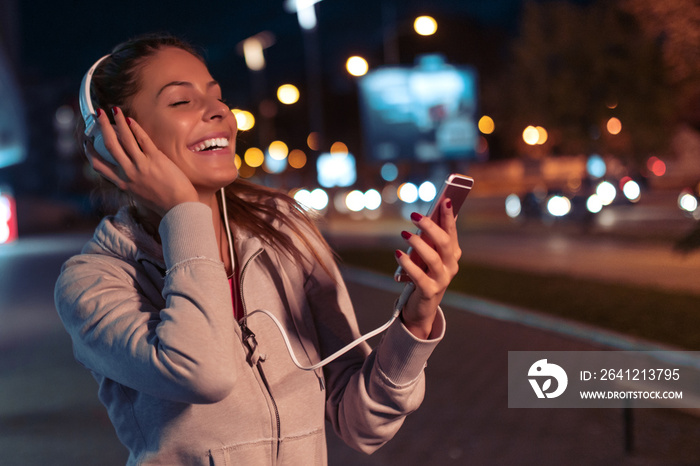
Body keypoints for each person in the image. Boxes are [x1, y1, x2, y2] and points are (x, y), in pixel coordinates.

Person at [55, 32, 461, 465]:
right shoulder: (92, 281)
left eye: (217, 97)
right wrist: (183, 212)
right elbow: (203, 374)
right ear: (110, 140)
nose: (220, 113)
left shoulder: (282, 231)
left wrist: (415, 323)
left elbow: (362, 424)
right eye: (181, 102)